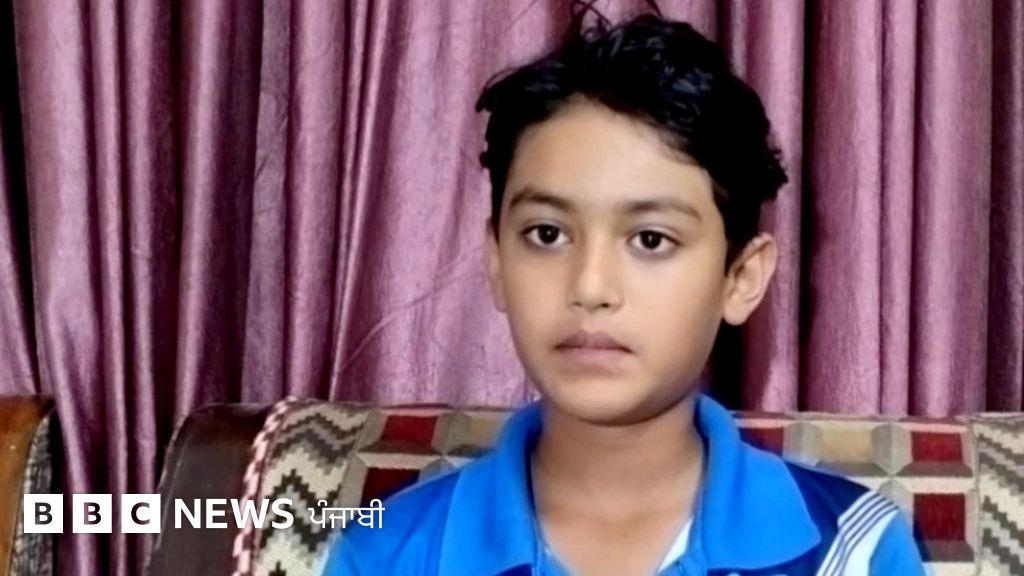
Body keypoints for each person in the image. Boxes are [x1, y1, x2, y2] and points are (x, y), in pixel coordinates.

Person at [323, 6, 927, 575]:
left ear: (741, 277)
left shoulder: (852, 550)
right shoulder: (387, 551)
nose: (590, 287)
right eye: (547, 234)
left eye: (650, 240)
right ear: (496, 260)